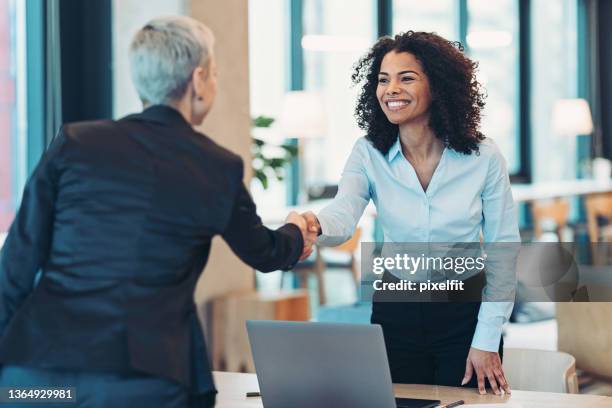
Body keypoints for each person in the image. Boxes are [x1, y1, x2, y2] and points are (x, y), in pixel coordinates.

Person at [0, 16, 315, 408]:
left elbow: (15, 264)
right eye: (214, 73)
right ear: (198, 80)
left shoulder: (74, 143)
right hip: (143, 381)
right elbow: (265, 252)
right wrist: (296, 231)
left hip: (35, 377)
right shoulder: (217, 166)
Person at [302, 31, 519, 395]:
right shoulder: (368, 152)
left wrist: (486, 338)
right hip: (396, 309)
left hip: (462, 311)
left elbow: (504, 250)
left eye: (407, 78)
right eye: (384, 80)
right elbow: (343, 211)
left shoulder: (484, 157)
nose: (391, 90)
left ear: (439, 86)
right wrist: (313, 224)